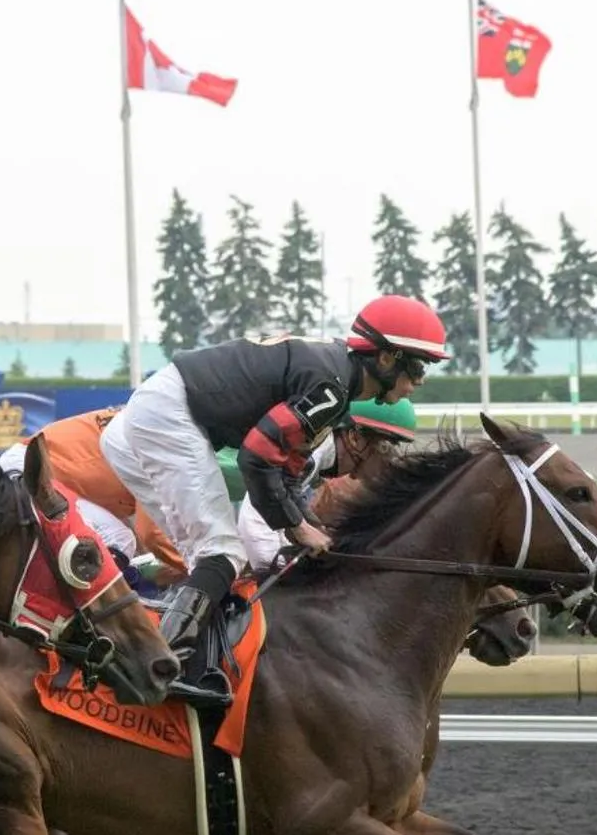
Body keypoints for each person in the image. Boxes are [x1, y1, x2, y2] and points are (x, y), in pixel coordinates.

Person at [100, 294, 448, 705]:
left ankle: (187, 659)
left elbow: (284, 470)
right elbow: (257, 458)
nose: (420, 380)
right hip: (169, 412)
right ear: (387, 359)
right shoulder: (332, 387)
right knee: (222, 554)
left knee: (208, 559)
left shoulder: (334, 378)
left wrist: (305, 523)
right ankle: (158, 667)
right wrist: (296, 526)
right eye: (418, 365)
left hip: (151, 413)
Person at [0, 407, 187, 593]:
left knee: (122, 541)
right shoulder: (166, 443)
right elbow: (152, 534)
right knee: (118, 539)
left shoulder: (155, 422)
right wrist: (197, 568)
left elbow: (147, 534)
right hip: (31, 472)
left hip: (29, 467)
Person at [237, 395, 419, 572]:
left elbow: (291, 498)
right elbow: (261, 506)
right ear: (355, 438)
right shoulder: (312, 453)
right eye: (389, 447)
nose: (391, 460)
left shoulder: (318, 454)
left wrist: (315, 527)